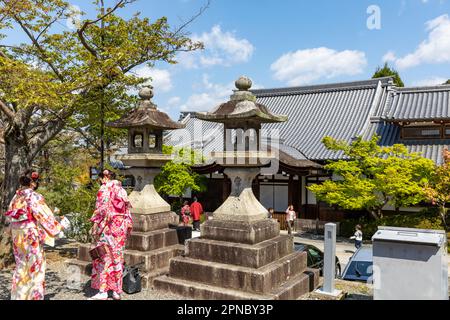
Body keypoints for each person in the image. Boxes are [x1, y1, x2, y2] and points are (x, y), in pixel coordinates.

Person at [5, 170, 63, 300]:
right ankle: (34, 297)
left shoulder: (16, 197)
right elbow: (44, 216)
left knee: (21, 265)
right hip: (30, 233)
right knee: (36, 265)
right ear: (33, 182)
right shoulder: (33, 196)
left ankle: (18, 296)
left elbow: (11, 216)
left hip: (17, 233)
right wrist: (57, 228)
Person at [89, 170, 133, 300]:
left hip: (108, 227)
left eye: (101, 178)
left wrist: (95, 227)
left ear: (106, 177)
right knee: (118, 258)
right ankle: (116, 291)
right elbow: (128, 209)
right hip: (120, 228)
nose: (101, 181)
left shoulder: (104, 189)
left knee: (104, 258)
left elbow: (100, 210)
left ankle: (103, 291)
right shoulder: (122, 190)